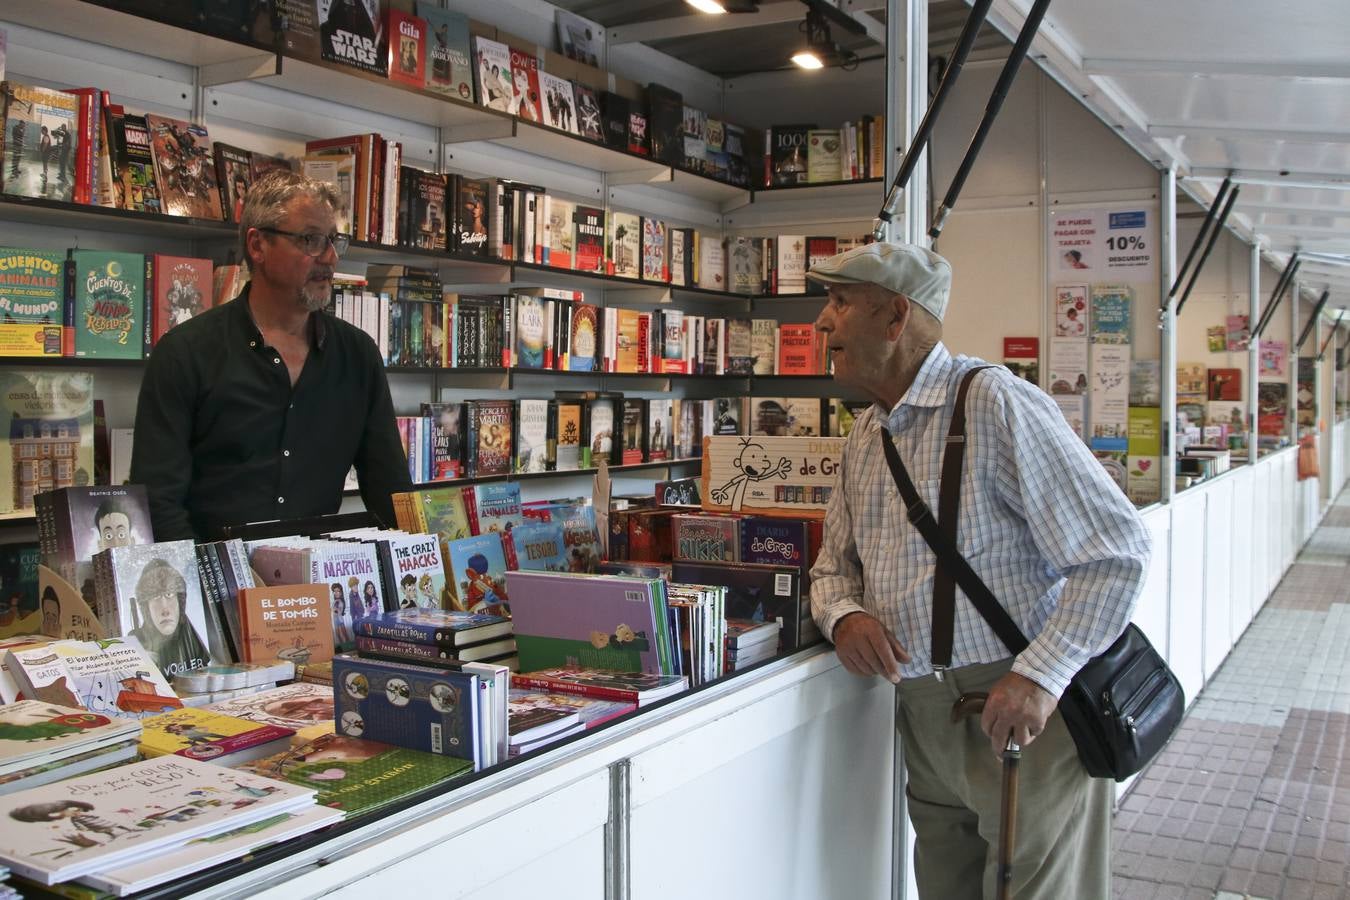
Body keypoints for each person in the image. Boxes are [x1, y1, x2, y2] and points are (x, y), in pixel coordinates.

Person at [807, 241, 1151, 900]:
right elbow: (830, 570)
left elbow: (1117, 553)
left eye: (840, 301)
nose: (822, 322)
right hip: (924, 714)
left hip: (1021, 719)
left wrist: (1039, 676)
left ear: (895, 317)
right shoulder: (865, 436)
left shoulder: (994, 401)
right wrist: (844, 615)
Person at [130, 169, 411, 540]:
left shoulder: (357, 355)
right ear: (258, 245)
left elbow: (390, 490)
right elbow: (158, 502)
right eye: (310, 239)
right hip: (214, 581)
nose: (329, 257)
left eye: (333, 241)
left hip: (320, 583)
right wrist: (208, 588)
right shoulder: (186, 353)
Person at [129, 557, 210, 677]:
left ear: (180, 601)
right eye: (156, 597)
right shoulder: (135, 643)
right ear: (147, 608)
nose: (165, 610)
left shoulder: (189, 635)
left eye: (169, 594)